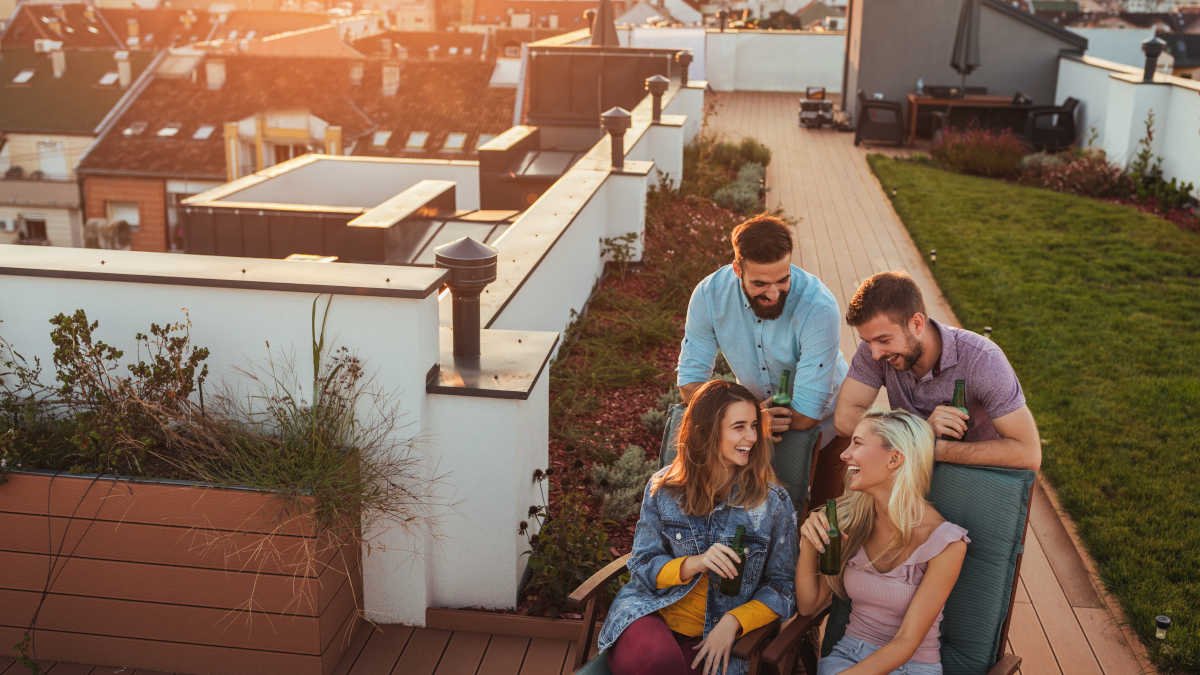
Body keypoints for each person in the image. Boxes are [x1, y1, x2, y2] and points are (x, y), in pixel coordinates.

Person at [598, 380, 798, 675]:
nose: (752, 437)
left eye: (754, 425)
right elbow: (642, 564)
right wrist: (695, 563)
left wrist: (734, 622)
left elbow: (782, 587)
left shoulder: (771, 503)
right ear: (706, 432)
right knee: (657, 661)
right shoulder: (664, 489)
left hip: (716, 635)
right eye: (739, 426)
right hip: (652, 614)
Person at [677, 214, 849, 509]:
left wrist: (744, 419)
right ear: (737, 269)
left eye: (783, 280)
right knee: (761, 507)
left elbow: (806, 414)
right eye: (759, 283)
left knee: (823, 512)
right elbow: (690, 382)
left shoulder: (819, 306)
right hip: (761, 418)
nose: (773, 292)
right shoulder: (709, 296)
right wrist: (751, 417)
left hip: (828, 419)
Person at [797, 409, 968, 674]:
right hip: (847, 657)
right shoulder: (851, 522)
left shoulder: (945, 543)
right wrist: (808, 543)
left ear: (894, 459)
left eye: (858, 443)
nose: (844, 455)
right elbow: (809, 605)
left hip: (911, 667)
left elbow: (906, 642)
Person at [834, 271, 1041, 471]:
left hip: (978, 482)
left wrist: (932, 449)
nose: (875, 354)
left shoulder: (982, 359)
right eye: (867, 342)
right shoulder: (875, 349)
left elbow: (1028, 453)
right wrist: (919, 433)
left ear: (917, 323)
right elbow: (845, 419)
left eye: (884, 340)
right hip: (912, 478)